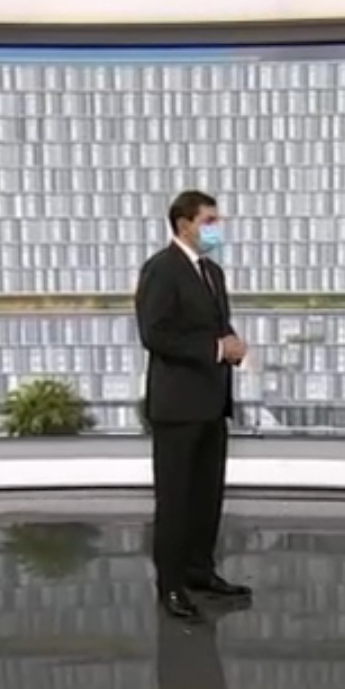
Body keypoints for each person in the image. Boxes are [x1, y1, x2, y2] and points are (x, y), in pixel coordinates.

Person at [135, 190, 252, 621]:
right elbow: (156, 334)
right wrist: (217, 349)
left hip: (211, 404)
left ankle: (200, 573)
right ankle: (170, 587)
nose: (217, 229)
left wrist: (232, 345)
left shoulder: (212, 273)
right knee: (176, 501)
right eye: (209, 221)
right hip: (177, 408)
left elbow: (217, 328)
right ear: (184, 224)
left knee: (206, 497)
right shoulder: (161, 270)